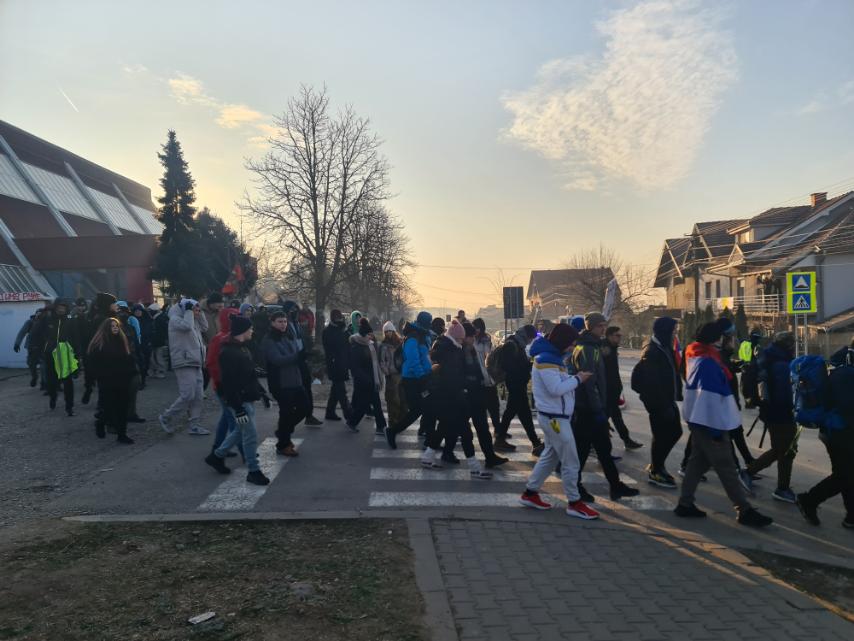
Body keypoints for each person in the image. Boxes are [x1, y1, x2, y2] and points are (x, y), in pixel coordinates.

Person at [675, 322, 773, 527]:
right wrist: (716, 431)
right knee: (726, 467)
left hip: (700, 419)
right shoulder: (708, 362)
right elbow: (708, 399)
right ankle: (744, 510)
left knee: (697, 463)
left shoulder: (699, 354)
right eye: (729, 336)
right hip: (710, 423)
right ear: (719, 338)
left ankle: (685, 504)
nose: (733, 340)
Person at [519, 324, 598, 518]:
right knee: (571, 462)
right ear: (563, 342)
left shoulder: (552, 358)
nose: (573, 347)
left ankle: (530, 493)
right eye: (571, 343)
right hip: (555, 419)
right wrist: (578, 379)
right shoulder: (547, 360)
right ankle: (574, 502)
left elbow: (558, 385)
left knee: (550, 457)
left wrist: (573, 378)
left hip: (555, 416)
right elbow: (556, 389)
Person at [572, 312, 639, 502]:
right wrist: (597, 409)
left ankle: (615, 486)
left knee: (602, 449)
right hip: (588, 410)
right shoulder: (587, 348)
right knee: (584, 451)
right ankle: (576, 486)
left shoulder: (593, 346)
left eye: (604, 325)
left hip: (591, 408)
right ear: (591, 327)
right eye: (600, 326)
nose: (603, 329)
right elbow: (589, 382)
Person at [205, 315, 271, 486]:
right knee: (250, 435)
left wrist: (262, 393)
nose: (252, 331)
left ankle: (216, 456)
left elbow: (248, 375)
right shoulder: (228, 352)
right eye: (250, 328)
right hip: (240, 402)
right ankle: (253, 471)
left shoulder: (241, 348)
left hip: (246, 398)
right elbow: (229, 384)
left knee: (241, 431)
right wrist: (238, 408)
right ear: (243, 331)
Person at [421, 320, 492, 478]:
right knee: (465, 432)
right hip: (452, 397)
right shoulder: (451, 351)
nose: (463, 341)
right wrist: (467, 384)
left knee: (444, 428)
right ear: (456, 338)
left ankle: (427, 457)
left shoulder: (446, 347)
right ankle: (474, 467)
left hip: (448, 397)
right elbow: (453, 378)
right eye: (461, 338)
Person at [796, 346, 854, 529]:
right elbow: (846, 406)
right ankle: (809, 500)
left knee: (845, 474)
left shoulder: (840, 371)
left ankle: (851, 516)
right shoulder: (846, 376)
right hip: (839, 432)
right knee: (845, 475)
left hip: (834, 431)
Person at [742, 332, 799, 503]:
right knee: (785, 450)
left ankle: (781, 486)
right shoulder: (781, 363)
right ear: (788, 345)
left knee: (783, 450)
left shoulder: (771, 357)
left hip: (771, 412)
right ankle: (754, 475)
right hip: (780, 413)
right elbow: (783, 394)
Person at [632, 317, 683, 489]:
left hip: (667, 400)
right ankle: (656, 470)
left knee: (673, 433)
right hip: (659, 403)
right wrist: (662, 405)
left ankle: (656, 465)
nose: (675, 333)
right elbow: (651, 383)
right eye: (673, 331)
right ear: (664, 331)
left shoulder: (664, 346)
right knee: (663, 435)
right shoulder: (652, 351)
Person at [458, 321, 508, 468]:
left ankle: (490, 457)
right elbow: (463, 373)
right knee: (453, 427)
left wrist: (487, 381)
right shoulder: (461, 352)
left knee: (482, 427)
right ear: (465, 336)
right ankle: (435, 449)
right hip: (468, 394)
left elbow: (481, 368)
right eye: (471, 336)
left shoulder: (471, 350)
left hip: (477, 392)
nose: (474, 339)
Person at [159, 298, 209, 435]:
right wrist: (189, 311)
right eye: (195, 310)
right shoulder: (175, 320)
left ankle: (194, 425)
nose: (197, 312)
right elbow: (186, 327)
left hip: (196, 361)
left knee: (198, 396)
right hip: (183, 361)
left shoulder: (192, 319)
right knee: (188, 394)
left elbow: (205, 327)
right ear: (185, 309)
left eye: (198, 310)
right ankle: (166, 417)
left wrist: (199, 312)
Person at [385, 312, 434, 448]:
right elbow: (413, 361)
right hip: (413, 380)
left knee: (428, 408)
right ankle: (392, 431)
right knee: (417, 410)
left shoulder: (422, 336)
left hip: (421, 378)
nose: (430, 325)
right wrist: (423, 377)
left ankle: (431, 441)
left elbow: (424, 358)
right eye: (428, 322)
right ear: (424, 322)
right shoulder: (413, 338)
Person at [494, 324, 544, 456]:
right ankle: (534, 443)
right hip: (515, 384)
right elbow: (509, 365)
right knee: (517, 413)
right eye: (531, 338)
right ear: (526, 336)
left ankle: (534, 442)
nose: (531, 341)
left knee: (521, 414)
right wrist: (525, 367)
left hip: (518, 384)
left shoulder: (518, 343)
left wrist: (528, 364)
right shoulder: (512, 344)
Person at [262, 311, 307, 456]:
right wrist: (297, 356)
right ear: (272, 323)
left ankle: (283, 432)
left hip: (295, 380)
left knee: (304, 408)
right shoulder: (269, 339)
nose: (283, 324)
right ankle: (283, 444)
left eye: (285, 321)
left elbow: (296, 353)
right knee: (286, 413)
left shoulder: (288, 335)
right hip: (280, 382)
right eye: (280, 322)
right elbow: (277, 360)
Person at [87, 318, 137, 444]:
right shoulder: (99, 344)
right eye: (112, 326)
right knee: (109, 408)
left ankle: (122, 434)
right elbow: (92, 363)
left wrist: (132, 373)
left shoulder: (122, 341)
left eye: (116, 326)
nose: (115, 328)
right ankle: (101, 422)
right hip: (107, 381)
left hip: (122, 380)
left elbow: (129, 358)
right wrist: (97, 377)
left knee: (122, 408)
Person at [206, 308, 242, 458]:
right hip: (224, 387)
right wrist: (221, 383)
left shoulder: (233, 337)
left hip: (229, 386)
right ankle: (245, 452)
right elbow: (211, 364)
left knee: (227, 419)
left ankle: (218, 447)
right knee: (235, 422)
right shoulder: (220, 338)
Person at [32, 299, 78, 416]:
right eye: (59, 307)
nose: (61, 309)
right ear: (55, 307)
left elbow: (76, 338)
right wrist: (38, 348)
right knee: (52, 381)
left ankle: (69, 406)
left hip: (65, 353)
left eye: (64, 307)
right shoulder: (47, 319)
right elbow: (35, 333)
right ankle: (53, 397)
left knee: (68, 381)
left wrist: (77, 354)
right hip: (50, 354)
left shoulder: (70, 321)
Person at [602, 326, 643, 450]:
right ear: (609, 336)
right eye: (617, 335)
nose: (620, 338)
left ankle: (626, 440)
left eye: (620, 335)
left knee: (615, 417)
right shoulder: (605, 349)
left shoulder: (612, 348)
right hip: (607, 391)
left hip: (613, 390)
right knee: (605, 419)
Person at [283, 300, 322, 426]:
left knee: (307, 387)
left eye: (296, 310)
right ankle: (289, 417)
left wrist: (309, 351)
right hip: (292, 362)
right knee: (294, 391)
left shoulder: (297, 324)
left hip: (301, 360)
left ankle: (309, 415)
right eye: (292, 310)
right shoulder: (284, 325)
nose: (294, 312)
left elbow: (301, 340)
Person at [347, 318, 387, 434]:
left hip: (371, 380)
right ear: (364, 335)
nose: (371, 336)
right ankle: (353, 422)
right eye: (369, 334)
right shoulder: (357, 347)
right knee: (365, 404)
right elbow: (355, 367)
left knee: (376, 403)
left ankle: (380, 426)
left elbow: (375, 363)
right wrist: (366, 379)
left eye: (371, 334)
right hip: (364, 381)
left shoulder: (370, 345)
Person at [81, 292, 118, 404]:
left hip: (101, 354)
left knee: (102, 380)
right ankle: (101, 408)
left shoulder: (108, 317)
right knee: (103, 381)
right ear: (106, 304)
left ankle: (102, 405)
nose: (115, 305)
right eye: (113, 303)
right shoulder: (102, 319)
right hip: (102, 354)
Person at [472, 318, 501, 435]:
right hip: (478, 378)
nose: (476, 330)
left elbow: (488, 358)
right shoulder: (471, 340)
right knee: (481, 408)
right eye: (474, 328)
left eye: (477, 328)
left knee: (494, 406)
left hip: (488, 377)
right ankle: (493, 430)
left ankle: (498, 429)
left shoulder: (486, 340)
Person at [323, 309, 352, 421]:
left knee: (335, 390)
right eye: (337, 318)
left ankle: (330, 412)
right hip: (334, 364)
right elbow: (332, 347)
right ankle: (349, 415)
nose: (339, 319)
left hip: (342, 363)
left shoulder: (342, 330)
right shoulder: (328, 331)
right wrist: (341, 330)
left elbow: (347, 345)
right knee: (341, 392)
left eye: (339, 317)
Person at [378, 321, 407, 428]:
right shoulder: (383, 345)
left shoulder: (400, 343)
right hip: (391, 376)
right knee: (392, 400)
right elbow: (382, 361)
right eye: (386, 332)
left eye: (390, 331)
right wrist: (387, 373)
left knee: (403, 400)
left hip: (401, 374)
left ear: (394, 331)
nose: (388, 333)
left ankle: (400, 421)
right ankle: (392, 422)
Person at [13, 308, 44, 387]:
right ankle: (35, 377)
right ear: (35, 314)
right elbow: (22, 332)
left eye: (41, 314)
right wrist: (17, 344)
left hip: (43, 348)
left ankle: (44, 383)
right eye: (38, 313)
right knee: (31, 364)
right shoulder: (30, 322)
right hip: (32, 347)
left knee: (44, 365)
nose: (39, 315)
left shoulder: (45, 322)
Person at [132, 304, 153, 389]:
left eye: (139, 311)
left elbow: (150, 332)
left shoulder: (146, 320)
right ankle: (141, 381)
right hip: (136, 345)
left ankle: (143, 380)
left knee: (145, 364)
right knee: (140, 364)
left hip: (145, 345)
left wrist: (150, 342)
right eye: (136, 311)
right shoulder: (132, 320)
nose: (138, 312)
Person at [149, 303, 169, 378]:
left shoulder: (159, 319)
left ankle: (160, 371)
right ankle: (158, 370)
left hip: (158, 341)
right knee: (156, 357)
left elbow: (162, 331)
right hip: (157, 341)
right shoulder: (160, 317)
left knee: (158, 357)